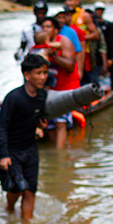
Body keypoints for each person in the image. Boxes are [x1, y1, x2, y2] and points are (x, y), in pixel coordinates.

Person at [0, 54, 50, 220]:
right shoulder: (13, 98)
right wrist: (4, 155)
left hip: (31, 149)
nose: (43, 77)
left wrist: (40, 126)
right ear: (27, 75)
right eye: (38, 73)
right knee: (18, 188)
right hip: (13, 150)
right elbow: (2, 127)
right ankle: (9, 208)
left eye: (45, 73)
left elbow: (38, 117)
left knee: (30, 190)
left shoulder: (42, 96)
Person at [37, 16, 78, 148]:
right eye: (43, 27)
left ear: (55, 29)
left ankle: (59, 155)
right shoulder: (40, 45)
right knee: (49, 124)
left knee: (61, 122)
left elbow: (70, 66)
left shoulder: (64, 42)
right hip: (49, 89)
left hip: (65, 87)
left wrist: (54, 56)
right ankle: (56, 152)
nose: (46, 30)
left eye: (49, 27)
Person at [64, 0, 100, 84]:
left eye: (70, 0)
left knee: (86, 77)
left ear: (77, 1)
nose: (68, 3)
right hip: (69, 53)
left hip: (85, 52)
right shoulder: (63, 15)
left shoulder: (84, 15)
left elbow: (96, 34)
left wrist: (80, 38)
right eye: (66, 0)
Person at [55, 8, 85, 81]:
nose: (61, 20)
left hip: (68, 67)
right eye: (59, 17)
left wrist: (79, 71)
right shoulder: (49, 30)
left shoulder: (71, 32)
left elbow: (78, 52)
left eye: (63, 17)